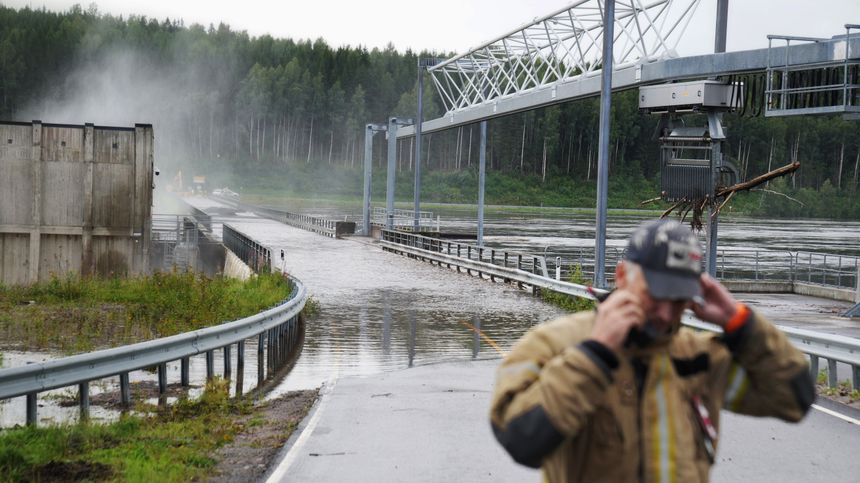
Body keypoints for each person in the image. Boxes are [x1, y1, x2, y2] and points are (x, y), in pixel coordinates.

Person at [490, 219, 814, 483]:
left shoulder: (698, 358)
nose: (664, 313)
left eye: (678, 300)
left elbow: (794, 398)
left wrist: (741, 323)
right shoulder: (556, 344)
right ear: (621, 276)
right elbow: (521, 441)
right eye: (655, 295)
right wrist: (596, 354)